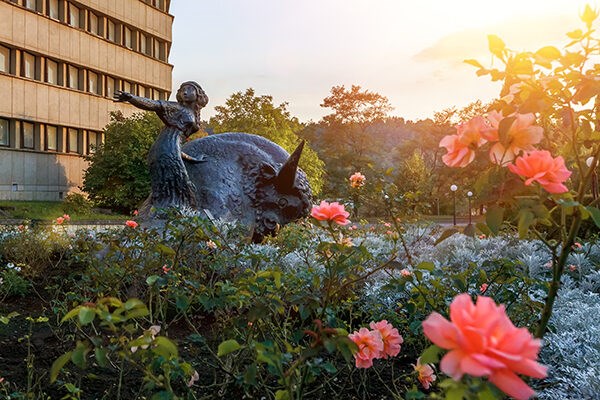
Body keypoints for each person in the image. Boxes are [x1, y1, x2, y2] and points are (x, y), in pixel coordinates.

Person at [114, 81, 209, 213]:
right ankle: (173, 215)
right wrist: (131, 98)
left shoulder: (191, 113)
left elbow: (177, 145)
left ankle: (165, 214)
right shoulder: (176, 107)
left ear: (198, 94)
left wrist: (191, 158)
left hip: (169, 148)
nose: (185, 92)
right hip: (166, 148)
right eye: (182, 90)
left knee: (173, 183)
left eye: (189, 89)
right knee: (178, 184)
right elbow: (154, 104)